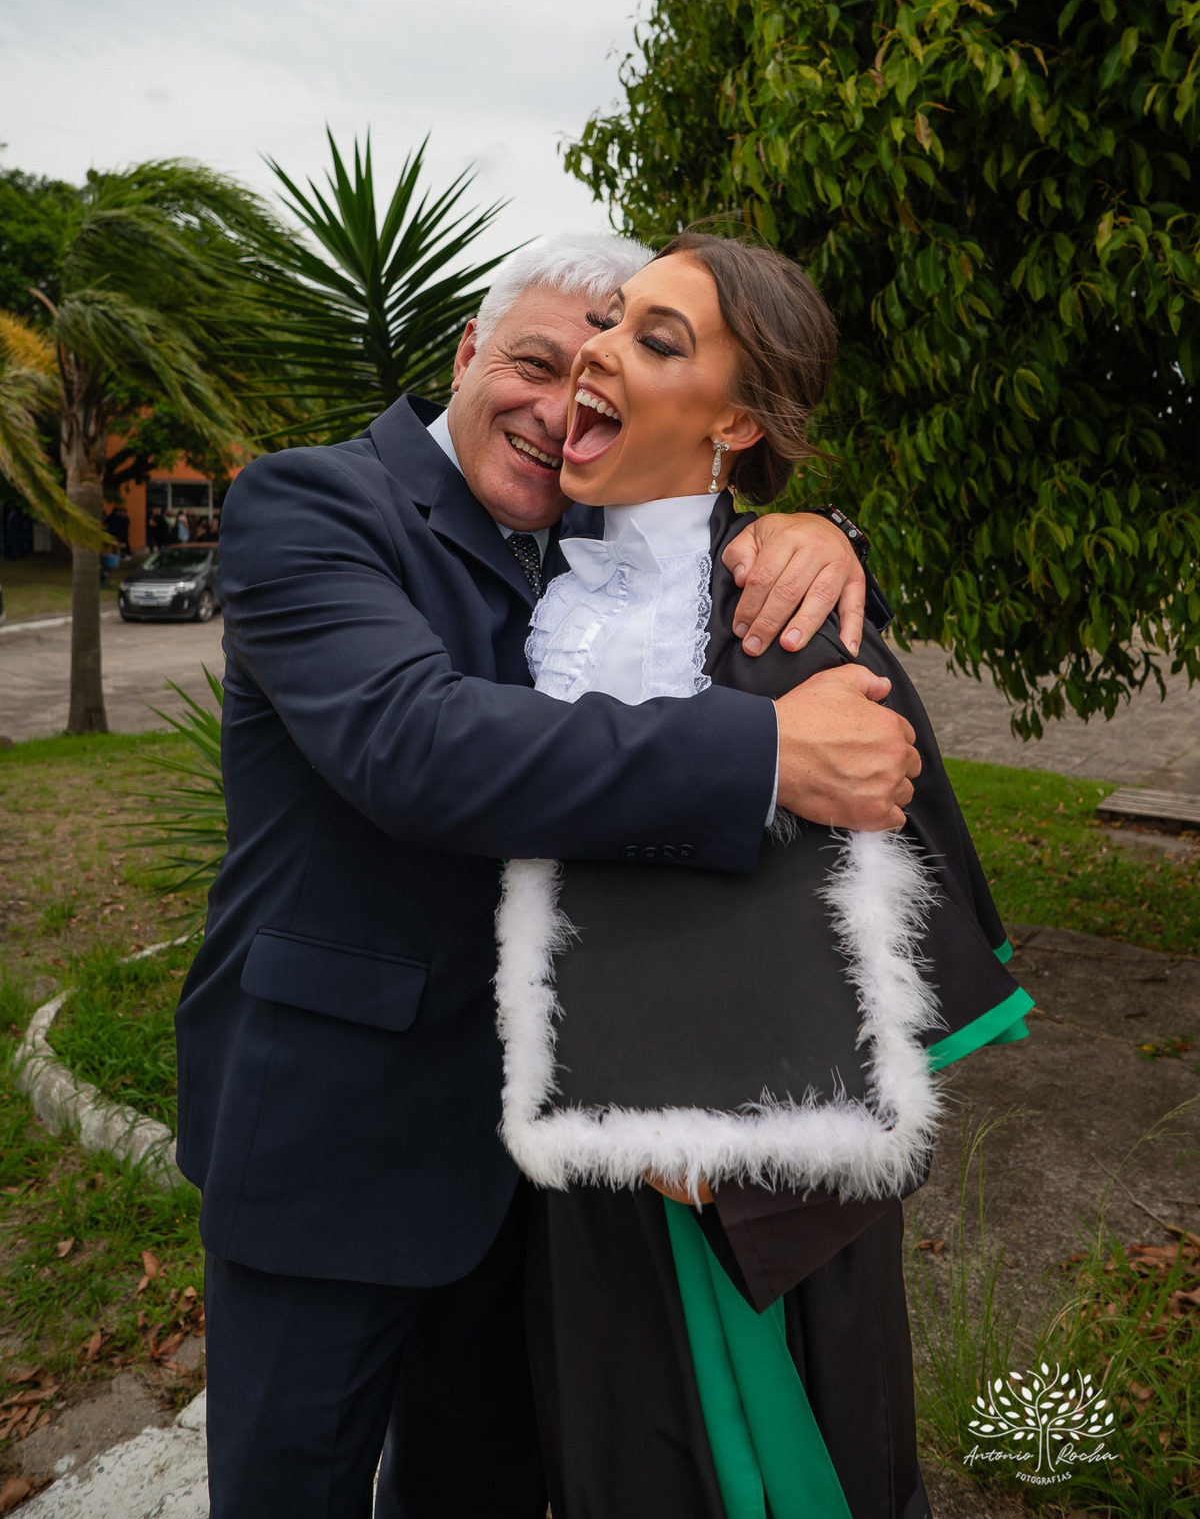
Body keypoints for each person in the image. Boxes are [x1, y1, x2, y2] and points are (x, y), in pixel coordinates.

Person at [174, 233, 920, 1519]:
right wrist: (762, 753)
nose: (560, 398)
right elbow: (412, 745)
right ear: (465, 351)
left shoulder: (590, 527)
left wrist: (815, 530)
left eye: (595, 370)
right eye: (533, 360)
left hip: (540, 1194)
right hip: (334, 1148)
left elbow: (697, 519)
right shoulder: (313, 504)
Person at [494, 234, 1033, 1519]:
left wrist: (729, 1154)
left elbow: (907, 952)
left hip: (741, 1204)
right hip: (567, 1196)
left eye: (656, 340)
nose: (601, 352)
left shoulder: (790, 624)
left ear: (736, 420)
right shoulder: (512, 580)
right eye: (610, 323)